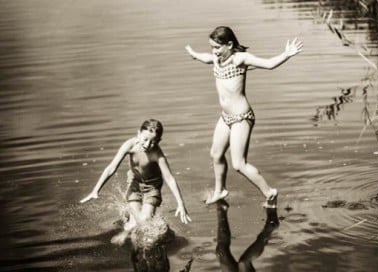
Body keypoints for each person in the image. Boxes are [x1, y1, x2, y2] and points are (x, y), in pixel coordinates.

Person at [185, 26, 303, 207]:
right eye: (212, 47)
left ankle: (270, 192)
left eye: (217, 47)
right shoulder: (216, 59)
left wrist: (286, 54)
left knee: (238, 164)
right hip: (226, 116)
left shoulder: (240, 59)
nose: (214, 51)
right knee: (216, 154)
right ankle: (220, 191)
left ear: (230, 44)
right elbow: (206, 58)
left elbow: (269, 64)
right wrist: (193, 53)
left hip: (241, 117)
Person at [80, 119, 191, 244]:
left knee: (144, 220)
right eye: (145, 139)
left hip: (152, 186)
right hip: (134, 182)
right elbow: (112, 168)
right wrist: (96, 190)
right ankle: (129, 230)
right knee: (133, 223)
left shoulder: (157, 155)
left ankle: (136, 232)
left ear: (159, 141)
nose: (148, 144)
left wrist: (180, 203)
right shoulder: (130, 145)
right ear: (138, 134)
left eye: (153, 141)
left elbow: (170, 178)